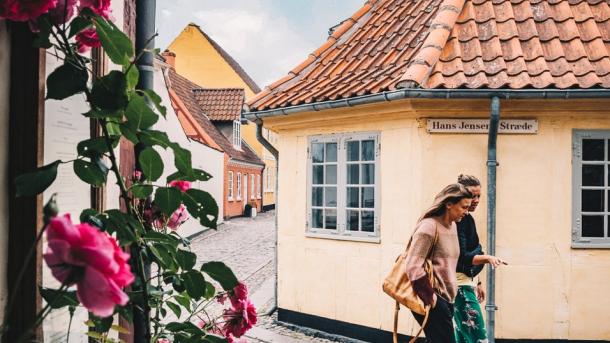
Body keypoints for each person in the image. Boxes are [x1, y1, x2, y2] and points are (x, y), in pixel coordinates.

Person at [404, 183, 473, 343]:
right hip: (434, 299)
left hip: (448, 299)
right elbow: (413, 265)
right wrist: (432, 299)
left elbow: (450, 262)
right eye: (463, 207)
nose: (466, 212)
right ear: (449, 204)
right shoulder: (429, 226)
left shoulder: (453, 226)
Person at [454, 175, 505, 343]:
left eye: (479, 196)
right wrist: (487, 257)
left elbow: (471, 253)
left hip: (466, 285)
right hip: (460, 288)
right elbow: (463, 257)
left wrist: (478, 282)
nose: (475, 200)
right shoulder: (459, 220)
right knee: (479, 339)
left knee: (462, 338)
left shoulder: (467, 218)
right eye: (472, 195)